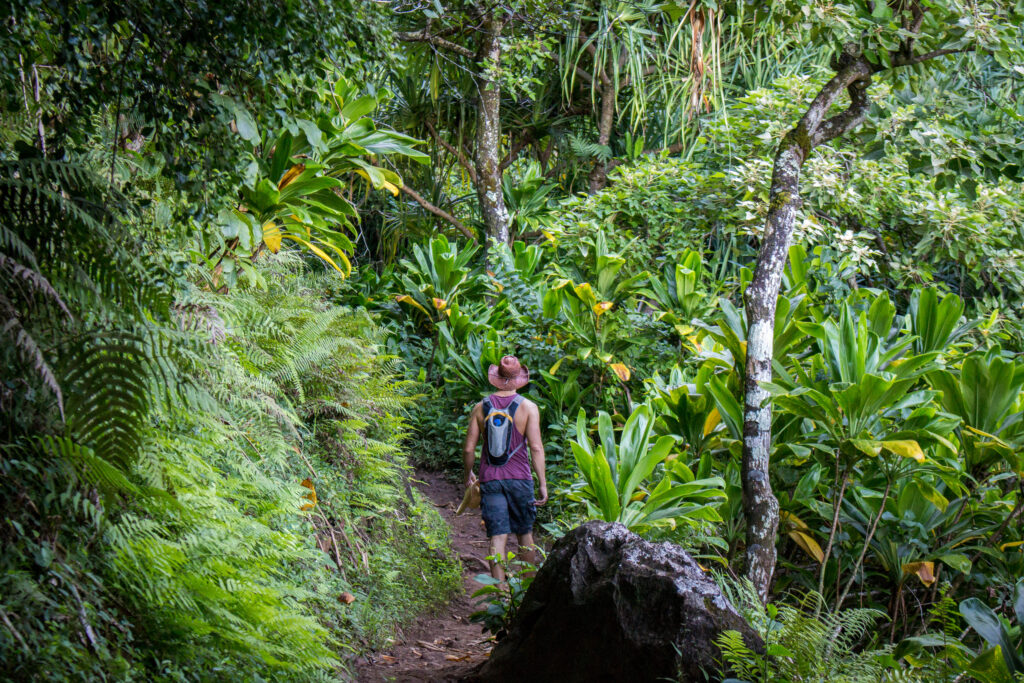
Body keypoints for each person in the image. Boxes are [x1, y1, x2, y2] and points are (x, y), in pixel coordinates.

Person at [462, 355, 547, 581]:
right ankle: (526, 590)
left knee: (497, 537)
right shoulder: (529, 408)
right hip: (520, 479)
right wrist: (542, 484)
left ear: (496, 378)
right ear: (519, 379)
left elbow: (469, 449)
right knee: (524, 533)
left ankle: (499, 595)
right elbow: (536, 448)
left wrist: (468, 473)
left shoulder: (481, 408)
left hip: (491, 479)